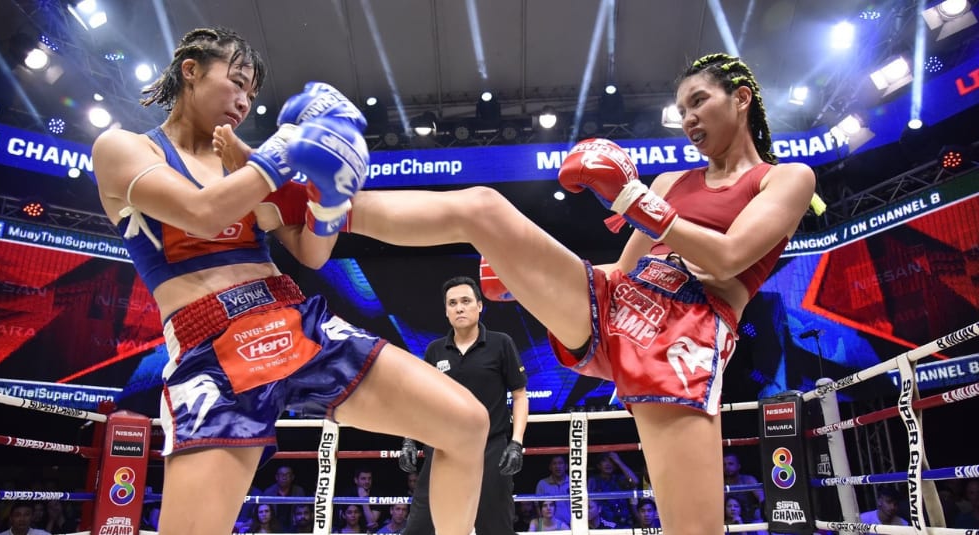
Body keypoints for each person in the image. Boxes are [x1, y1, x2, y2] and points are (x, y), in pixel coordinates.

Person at [337, 52, 817, 535]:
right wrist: (528, 282)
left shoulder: (785, 178)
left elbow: (729, 256)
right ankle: (329, 206)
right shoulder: (672, 181)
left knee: (693, 531)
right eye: (682, 109)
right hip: (621, 299)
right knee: (482, 208)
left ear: (741, 99)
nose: (688, 118)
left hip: (684, 332)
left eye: (698, 101)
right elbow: (624, 269)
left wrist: (633, 198)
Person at [90, 26, 489, 535]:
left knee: (467, 424)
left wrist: (327, 195)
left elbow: (312, 252)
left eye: (252, 94)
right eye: (236, 83)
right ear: (190, 71)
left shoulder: (247, 162)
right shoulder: (123, 148)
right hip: (211, 343)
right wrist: (286, 152)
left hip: (294, 318)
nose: (244, 102)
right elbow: (202, 213)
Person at [397, 276, 529, 535]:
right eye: (453, 303)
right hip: (442, 448)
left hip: (490, 448)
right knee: (420, 525)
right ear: (446, 311)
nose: (459, 308)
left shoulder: (501, 343)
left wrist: (516, 443)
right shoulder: (435, 351)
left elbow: (520, 395)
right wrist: (409, 439)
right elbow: (421, 401)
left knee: (496, 527)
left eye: (466, 301)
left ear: (480, 306)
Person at [588, 452, 639, 528]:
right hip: (603, 524)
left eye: (611, 461)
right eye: (604, 461)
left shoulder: (620, 479)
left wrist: (619, 461)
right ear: (598, 465)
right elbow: (588, 502)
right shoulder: (593, 480)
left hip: (623, 523)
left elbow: (635, 482)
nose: (608, 464)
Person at [263, 466, 305, 530]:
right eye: (281, 474)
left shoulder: (299, 491)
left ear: (292, 477)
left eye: (287, 474)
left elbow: (303, 511)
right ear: (276, 477)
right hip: (272, 528)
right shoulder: (269, 492)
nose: (284, 477)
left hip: (294, 528)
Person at [534, 455, 571, 524]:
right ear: (550, 467)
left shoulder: (573, 482)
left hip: (572, 525)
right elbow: (538, 506)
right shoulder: (542, 484)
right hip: (550, 526)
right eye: (554, 463)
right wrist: (544, 526)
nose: (557, 466)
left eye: (560, 463)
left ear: (566, 466)